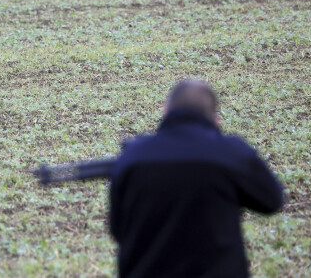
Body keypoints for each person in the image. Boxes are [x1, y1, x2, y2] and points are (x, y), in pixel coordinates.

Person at [109, 79, 284, 278]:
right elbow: (272, 201)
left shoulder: (133, 155)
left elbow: (117, 228)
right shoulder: (232, 152)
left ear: (165, 112)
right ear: (216, 120)